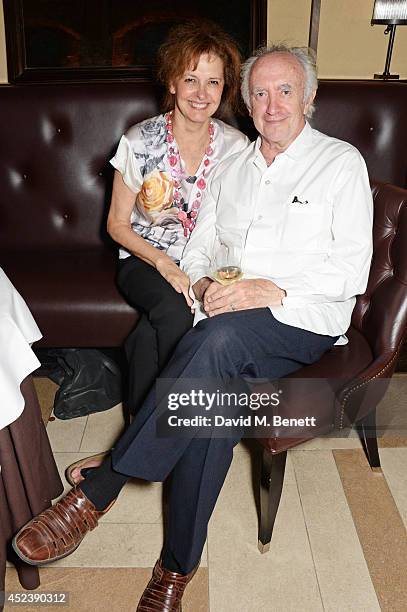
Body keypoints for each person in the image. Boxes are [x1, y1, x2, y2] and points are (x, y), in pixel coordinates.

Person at [12, 44, 373, 611]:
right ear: (247, 103)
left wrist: (268, 290)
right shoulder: (233, 168)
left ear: (309, 97)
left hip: (301, 318)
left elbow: (351, 268)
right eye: (259, 92)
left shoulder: (341, 163)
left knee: (213, 342)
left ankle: (99, 492)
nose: (271, 104)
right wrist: (202, 286)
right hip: (224, 316)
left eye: (284, 91)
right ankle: (176, 570)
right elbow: (200, 246)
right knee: (215, 401)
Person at [65, 20, 249, 485]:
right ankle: (179, 435)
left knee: (144, 340)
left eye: (213, 81)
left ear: (225, 87)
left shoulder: (235, 146)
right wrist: (166, 265)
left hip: (206, 262)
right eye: (191, 79)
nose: (202, 94)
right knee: (172, 312)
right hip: (146, 261)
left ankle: (133, 447)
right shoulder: (139, 141)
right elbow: (116, 226)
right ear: (172, 82)